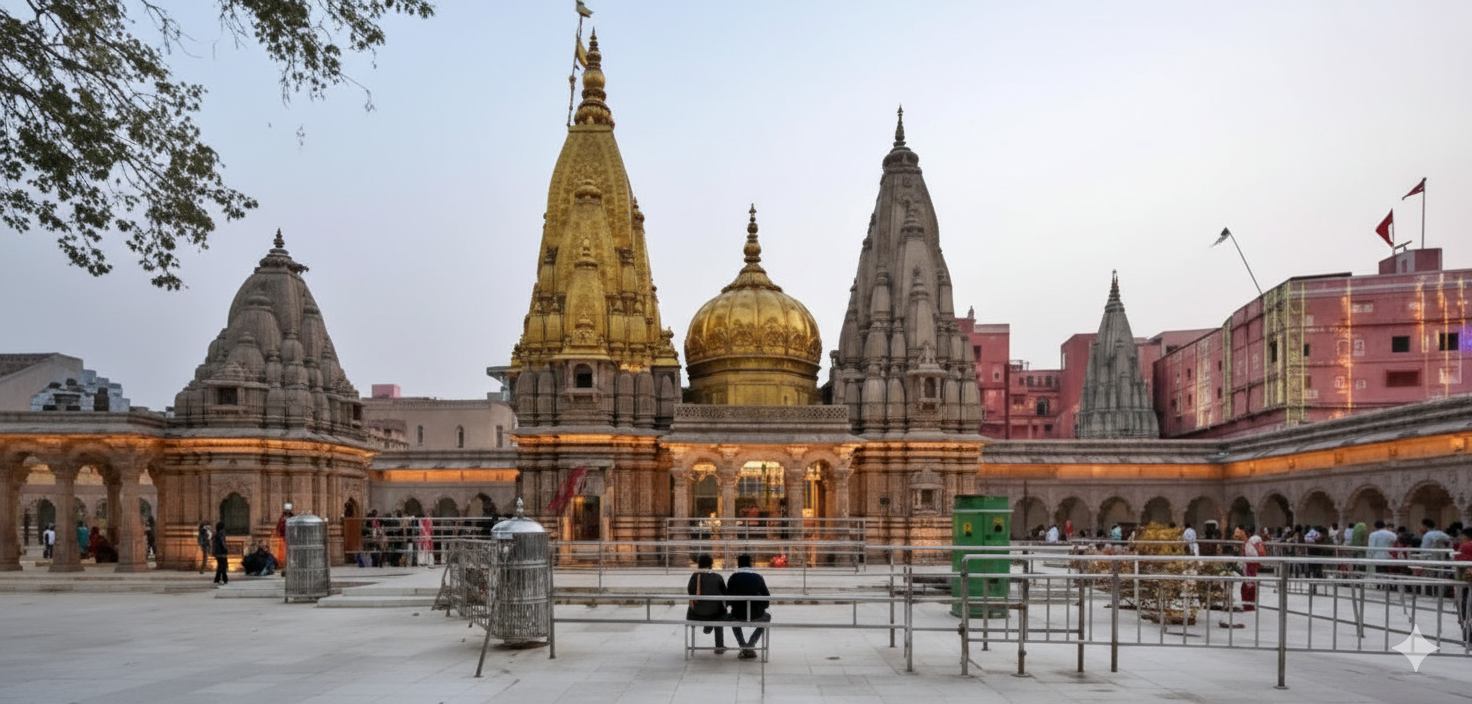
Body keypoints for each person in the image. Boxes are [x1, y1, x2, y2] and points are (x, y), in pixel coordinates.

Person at [725, 554, 771, 660]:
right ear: (750, 564)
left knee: (733, 618)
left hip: (738, 613)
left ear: (738, 564)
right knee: (767, 617)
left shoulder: (734, 577)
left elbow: (728, 598)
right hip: (755, 614)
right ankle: (750, 645)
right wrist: (760, 608)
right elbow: (766, 599)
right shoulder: (758, 577)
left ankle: (743, 646)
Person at [686, 554, 728, 654]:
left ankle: (708, 625)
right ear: (711, 564)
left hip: (697, 614)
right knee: (719, 611)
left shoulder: (695, 576)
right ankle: (719, 646)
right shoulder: (717, 577)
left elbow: (690, 590)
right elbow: (725, 593)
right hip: (715, 613)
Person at [1236, 525, 1265, 611]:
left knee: (1248, 585)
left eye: (1238, 532)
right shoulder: (1249, 542)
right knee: (1249, 584)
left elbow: (1250, 555)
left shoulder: (1249, 543)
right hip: (1250, 565)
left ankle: (1248, 605)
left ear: (1243, 532)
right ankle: (1249, 604)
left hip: (1249, 565)